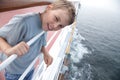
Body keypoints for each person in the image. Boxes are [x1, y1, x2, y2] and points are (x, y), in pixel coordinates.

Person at [0, 0, 75, 80]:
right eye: (56, 18)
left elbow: (41, 42)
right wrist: (8, 50)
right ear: (49, 8)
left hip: (30, 68)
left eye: (60, 26)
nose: (55, 26)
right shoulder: (23, 22)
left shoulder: (46, 25)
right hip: (15, 73)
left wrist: (45, 53)